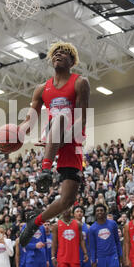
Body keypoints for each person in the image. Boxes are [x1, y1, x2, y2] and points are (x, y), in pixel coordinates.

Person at [15, 42, 90, 247]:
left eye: (64, 53)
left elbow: (82, 118)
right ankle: (45, 170)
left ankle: (35, 222)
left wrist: (67, 135)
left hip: (73, 137)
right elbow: (30, 121)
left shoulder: (80, 82)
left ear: (72, 61)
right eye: (55, 53)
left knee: (67, 200)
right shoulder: (41, 89)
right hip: (53, 134)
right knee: (58, 119)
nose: (58, 55)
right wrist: (17, 131)